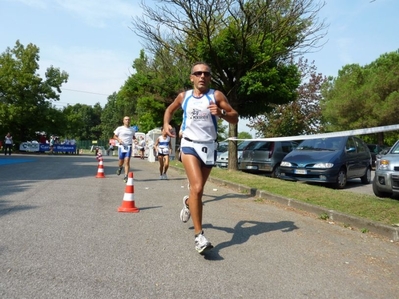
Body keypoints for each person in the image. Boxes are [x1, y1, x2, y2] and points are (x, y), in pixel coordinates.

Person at [163, 62, 238, 254]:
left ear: (210, 77)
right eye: (198, 73)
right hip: (189, 144)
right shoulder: (184, 96)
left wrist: (221, 113)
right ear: (192, 77)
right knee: (196, 187)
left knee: (198, 190)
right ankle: (199, 236)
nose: (202, 76)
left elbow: (235, 116)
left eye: (206, 73)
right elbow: (169, 110)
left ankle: (188, 202)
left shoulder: (216, 96)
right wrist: (166, 125)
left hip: (209, 146)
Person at [113, 116, 136, 183]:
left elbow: (133, 137)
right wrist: (119, 139)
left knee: (127, 161)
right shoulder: (119, 128)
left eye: (128, 120)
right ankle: (120, 167)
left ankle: (126, 176)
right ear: (123, 121)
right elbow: (114, 136)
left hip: (129, 146)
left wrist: (135, 140)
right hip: (121, 146)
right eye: (126, 119)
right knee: (121, 161)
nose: (127, 121)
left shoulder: (132, 129)